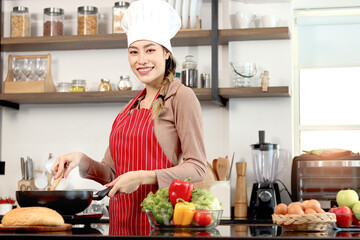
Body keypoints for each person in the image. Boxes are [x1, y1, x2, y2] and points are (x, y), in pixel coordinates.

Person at [52, 0, 207, 235]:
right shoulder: (129, 108)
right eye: (134, 52)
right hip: (120, 226)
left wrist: (143, 177)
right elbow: (111, 173)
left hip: (159, 226)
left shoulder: (180, 97)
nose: (141, 60)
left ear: (166, 53)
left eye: (150, 50)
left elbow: (197, 168)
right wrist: (81, 159)